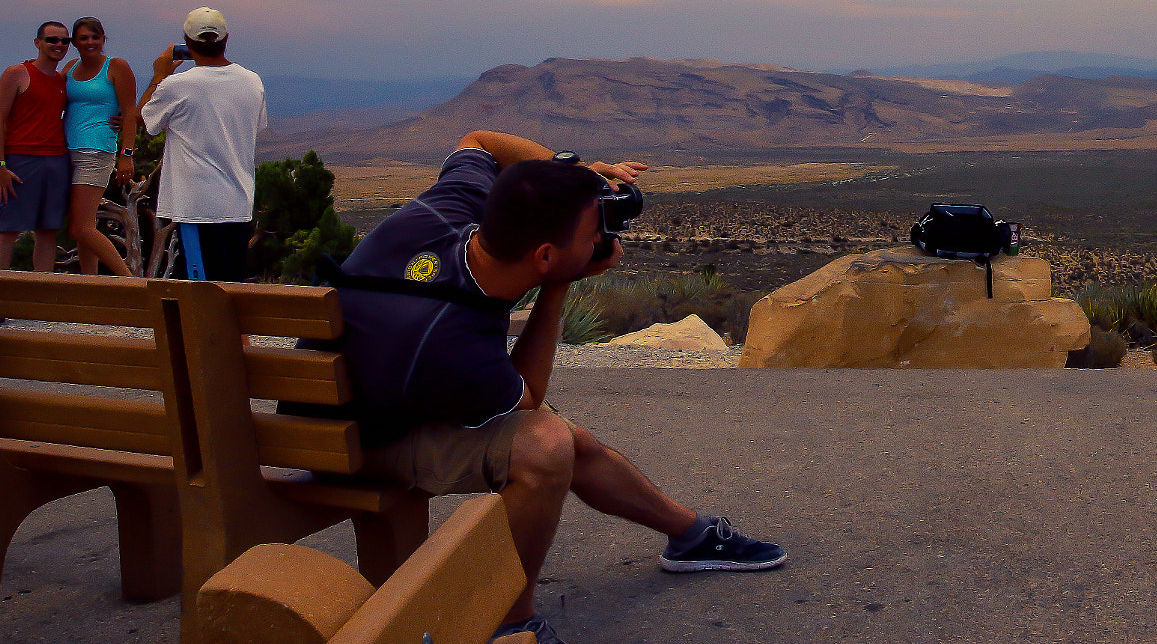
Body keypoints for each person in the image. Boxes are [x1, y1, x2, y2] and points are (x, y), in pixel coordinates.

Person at [290, 129, 786, 644]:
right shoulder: (454, 345)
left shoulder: (446, 210)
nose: (602, 240)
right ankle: (508, 618)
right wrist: (556, 293)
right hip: (352, 443)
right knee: (544, 446)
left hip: (351, 399)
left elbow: (480, 140)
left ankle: (689, 535)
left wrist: (576, 175)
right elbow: (528, 400)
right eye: (592, 232)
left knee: (559, 440)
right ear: (545, 257)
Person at [138, 7, 266, 282]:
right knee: (231, 284)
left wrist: (159, 75)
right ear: (226, 39)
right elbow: (257, 125)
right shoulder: (252, 81)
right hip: (239, 203)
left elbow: (144, 119)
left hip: (198, 206)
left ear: (188, 41)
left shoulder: (177, 85)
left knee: (201, 287)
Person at [62, 16, 139, 276]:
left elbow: (130, 112)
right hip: (67, 150)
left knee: (80, 228)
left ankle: (132, 285)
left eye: (95, 37)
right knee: (86, 225)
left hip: (96, 152)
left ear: (104, 38)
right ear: (75, 42)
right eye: (84, 38)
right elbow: (50, 90)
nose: (90, 42)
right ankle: (91, 284)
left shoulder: (116, 67)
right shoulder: (71, 68)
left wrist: (126, 155)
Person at [0, 22, 75, 272]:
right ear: (38, 42)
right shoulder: (18, 73)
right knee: (8, 229)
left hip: (56, 160)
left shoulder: (62, 79)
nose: (59, 45)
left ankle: (43, 297)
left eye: (65, 41)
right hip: (21, 158)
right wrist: (0, 165)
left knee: (48, 230)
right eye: (52, 39)